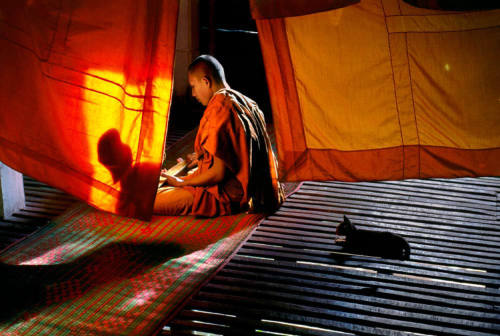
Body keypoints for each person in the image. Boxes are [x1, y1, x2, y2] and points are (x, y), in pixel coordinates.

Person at [154, 55, 283, 217]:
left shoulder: (219, 108)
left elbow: (218, 173)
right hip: (245, 188)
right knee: (168, 180)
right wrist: (201, 157)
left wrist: (183, 182)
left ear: (206, 82)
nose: (193, 93)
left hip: (223, 195)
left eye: (193, 86)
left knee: (147, 199)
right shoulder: (247, 102)